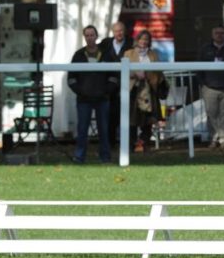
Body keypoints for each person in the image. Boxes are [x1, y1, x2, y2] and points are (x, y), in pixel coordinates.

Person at [67, 25, 118, 163]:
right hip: (84, 99)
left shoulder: (106, 54)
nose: (90, 38)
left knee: (104, 130)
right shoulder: (78, 55)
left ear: (96, 36)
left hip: (103, 98)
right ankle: (79, 157)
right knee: (82, 130)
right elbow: (71, 78)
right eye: (87, 35)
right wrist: (81, 91)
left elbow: (114, 76)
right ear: (84, 37)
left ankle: (105, 157)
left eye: (92, 35)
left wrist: (107, 90)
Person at [197, 26, 224, 148]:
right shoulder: (204, 49)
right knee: (211, 114)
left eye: (222, 33)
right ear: (212, 34)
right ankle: (213, 138)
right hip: (209, 88)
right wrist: (202, 83)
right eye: (217, 33)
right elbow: (198, 67)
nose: (219, 35)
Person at [123, 30, 165, 152]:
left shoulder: (153, 55)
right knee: (132, 120)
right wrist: (135, 74)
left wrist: (148, 75)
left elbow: (158, 72)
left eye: (146, 39)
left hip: (149, 90)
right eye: (141, 39)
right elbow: (123, 71)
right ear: (137, 40)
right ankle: (131, 144)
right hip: (133, 90)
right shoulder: (128, 53)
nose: (143, 42)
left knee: (148, 120)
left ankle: (143, 142)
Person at [100, 21, 132, 147]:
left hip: (127, 85)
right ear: (112, 32)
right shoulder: (105, 44)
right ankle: (111, 144)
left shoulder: (131, 43)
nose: (119, 33)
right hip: (109, 87)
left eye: (121, 30)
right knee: (110, 116)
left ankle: (128, 144)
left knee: (127, 117)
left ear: (125, 31)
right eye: (116, 31)